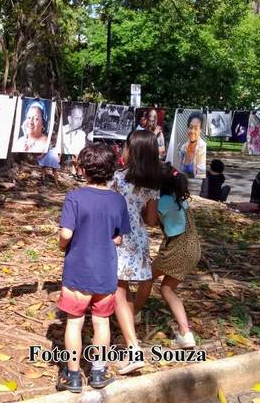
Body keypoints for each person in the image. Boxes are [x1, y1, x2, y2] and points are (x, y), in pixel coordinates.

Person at [56, 144, 131, 392]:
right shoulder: (118, 200)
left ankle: (73, 375)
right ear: (112, 170)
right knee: (101, 322)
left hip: (78, 271)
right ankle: (98, 372)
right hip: (105, 272)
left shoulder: (75, 197)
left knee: (74, 323)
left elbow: (66, 233)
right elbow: (118, 238)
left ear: (83, 169)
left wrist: (62, 244)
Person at [111, 130, 161, 374]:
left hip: (119, 237)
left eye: (126, 146)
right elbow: (151, 220)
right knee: (123, 291)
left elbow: (108, 208)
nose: (124, 150)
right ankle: (129, 342)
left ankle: (133, 349)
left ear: (133, 151)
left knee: (118, 291)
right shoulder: (153, 184)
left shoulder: (118, 179)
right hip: (139, 238)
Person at [150, 163, 201, 347]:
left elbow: (150, 220)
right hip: (193, 249)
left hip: (176, 250)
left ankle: (134, 311)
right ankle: (185, 333)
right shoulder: (179, 197)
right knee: (167, 288)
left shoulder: (162, 202)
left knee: (146, 276)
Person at [179, 111, 207, 178]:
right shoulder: (183, 147)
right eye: (190, 127)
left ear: (200, 130)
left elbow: (201, 175)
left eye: (196, 128)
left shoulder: (203, 148)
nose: (192, 131)